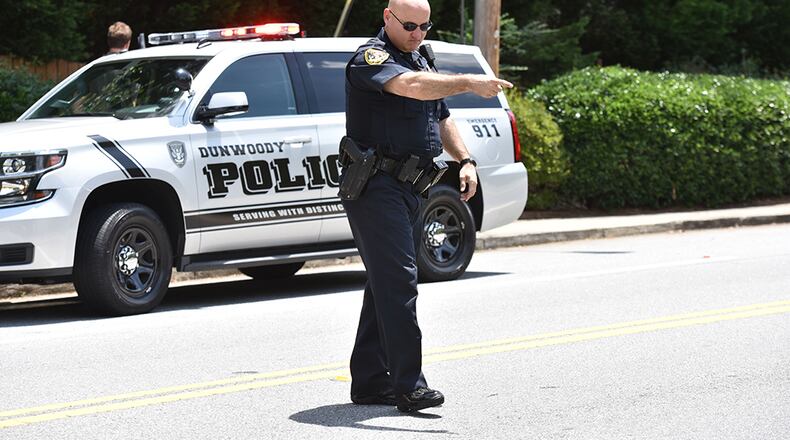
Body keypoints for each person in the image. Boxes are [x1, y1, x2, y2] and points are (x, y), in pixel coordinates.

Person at [342, 0, 513, 413]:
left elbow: (440, 115)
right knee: (400, 279)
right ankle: (409, 385)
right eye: (410, 25)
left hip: (411, 186)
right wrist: (470, 82)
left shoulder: (421, 56)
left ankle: (369, 381)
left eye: (425, 25)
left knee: (386, 281)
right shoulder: (371, 59)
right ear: (387, 17)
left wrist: (465, 160)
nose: (418, 32)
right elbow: (412, 87)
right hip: (376, 186)